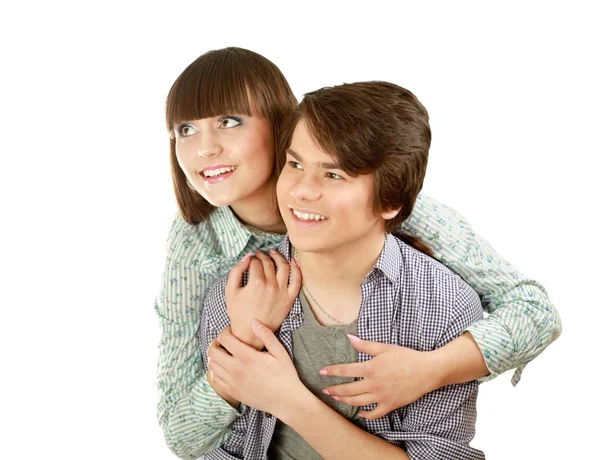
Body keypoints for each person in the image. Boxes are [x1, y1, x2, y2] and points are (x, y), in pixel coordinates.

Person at [155, 47, 561, 459]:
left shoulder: (388, 210)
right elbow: (184, 432)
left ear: (280, 127)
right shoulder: (198, 246)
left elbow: (534, 312)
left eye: (228, 122)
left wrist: (429, 369)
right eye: (184, 130)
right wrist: (246, 340)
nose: (203, 149)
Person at [201, 81, 484, 459]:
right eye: (295, 164)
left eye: (333, 175)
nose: (301, 190)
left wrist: (288, 401)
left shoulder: (442, 307)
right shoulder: (240, 292)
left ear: (391, 201)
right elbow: (214, 448)